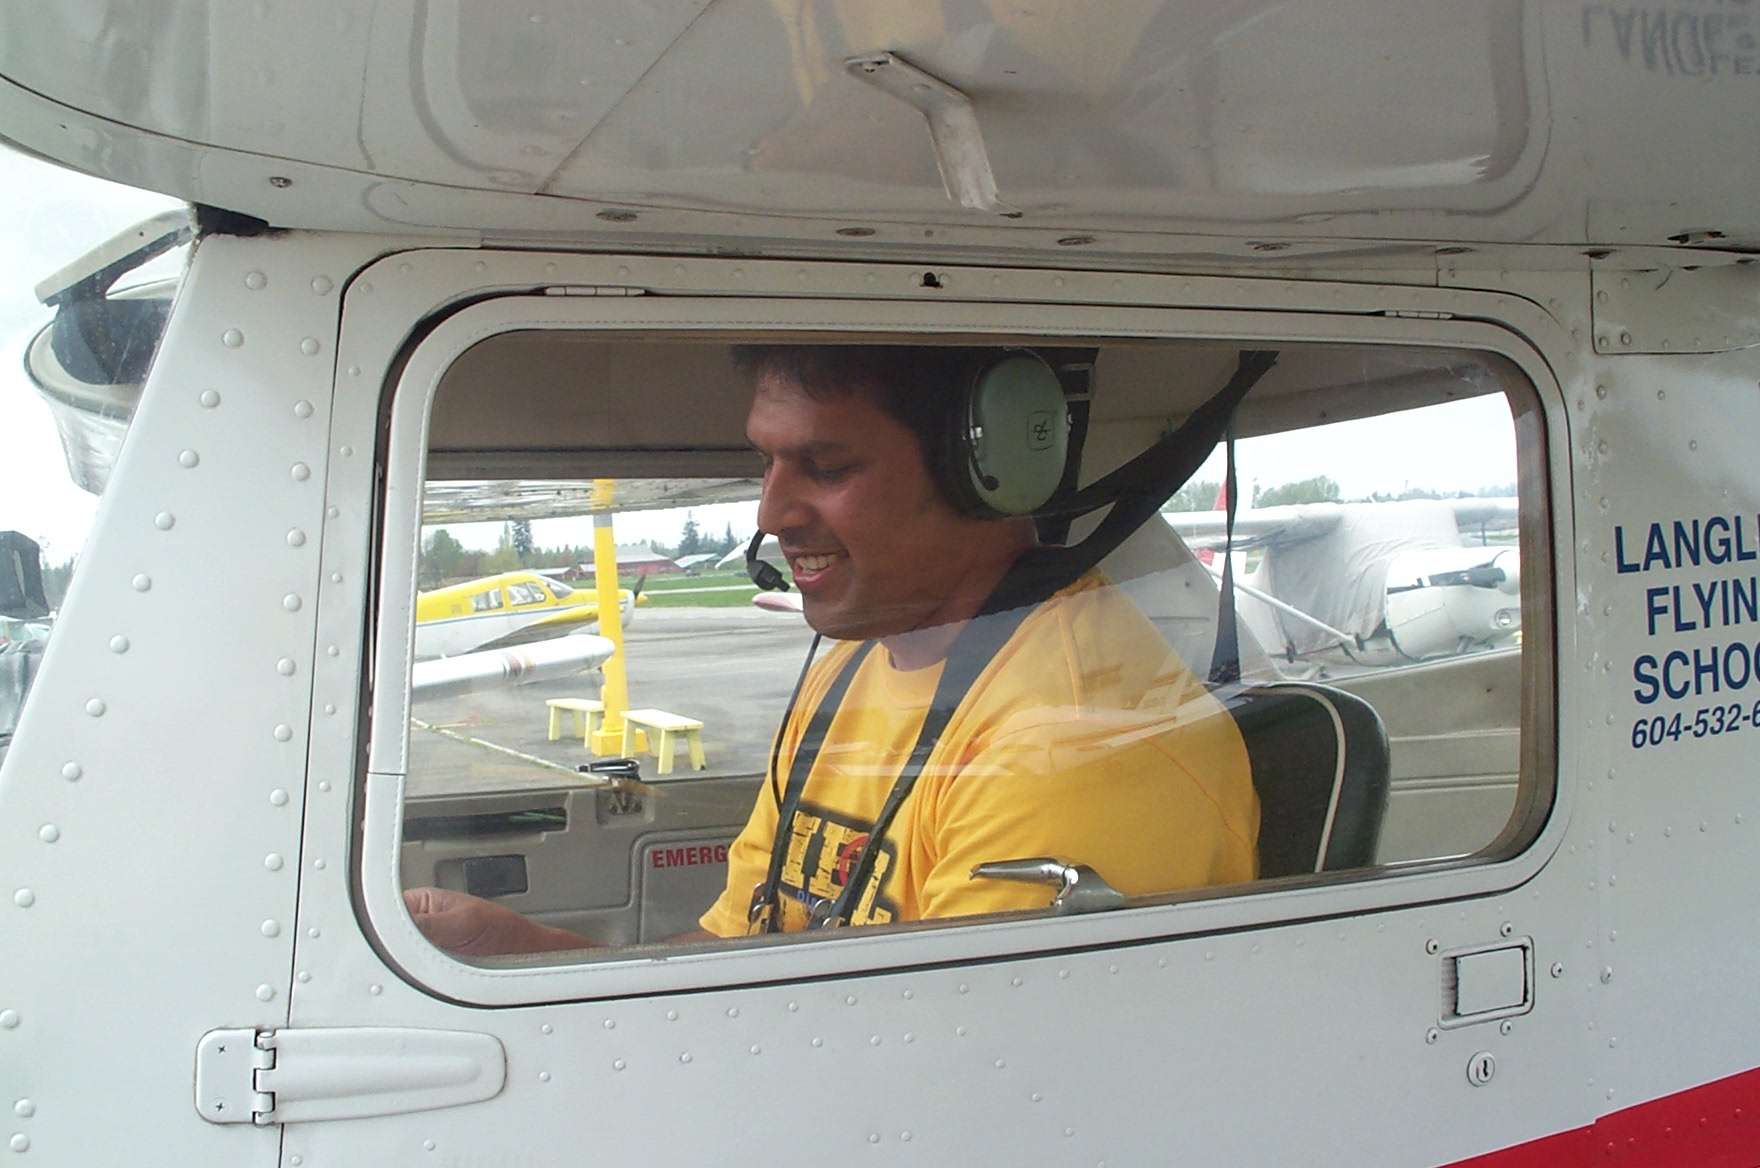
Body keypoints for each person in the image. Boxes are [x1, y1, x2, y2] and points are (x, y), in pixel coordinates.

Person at [406, 345, 1258, 955]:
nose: (771, 514)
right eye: (767, 462)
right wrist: (522, 951)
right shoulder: (851, 665)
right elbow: (732, 950)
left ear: (988, 470)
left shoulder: (1073, 742)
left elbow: (955, 1077)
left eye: (827, 465)